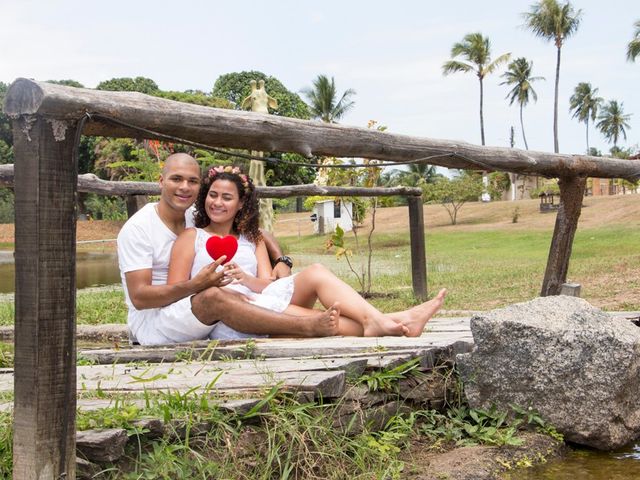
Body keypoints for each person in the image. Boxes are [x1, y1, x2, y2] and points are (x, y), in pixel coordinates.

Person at [167, 165, 447, 339]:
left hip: (259, 296)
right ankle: (398, 320)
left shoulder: (252, 239)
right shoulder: (191, 237)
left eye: (227, 197)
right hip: (231, 313)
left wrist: (246, 278)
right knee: (324, 322)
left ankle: (384, 321)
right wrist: (207, 282)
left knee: (315, 272)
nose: (217, 203)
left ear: (240, 204)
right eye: (212, 195)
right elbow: (175, 292)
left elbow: (269, 284)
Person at [117, 153, 340, 345]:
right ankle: (306, 328)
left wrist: (281, 259)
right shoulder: (138, 228)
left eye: (192, 181)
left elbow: (255, 232)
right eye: (176, 179)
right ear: (161, 181)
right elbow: (140, 298)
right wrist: (196, 285)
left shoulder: (193, 212)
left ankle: (332, 323)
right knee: (215, 296)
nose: (184, 187)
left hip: (195, 311)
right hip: (155, 324)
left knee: (236, 296)